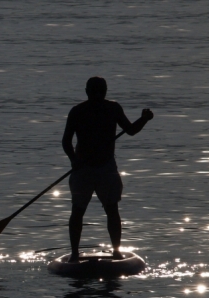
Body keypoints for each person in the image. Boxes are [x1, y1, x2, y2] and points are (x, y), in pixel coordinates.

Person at [62, 77, 153, 262]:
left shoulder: (113, 109)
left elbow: (131, 130)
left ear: (105, 91)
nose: (97, 95)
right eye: (94, 91)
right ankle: (74, 253)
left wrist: (143, 120)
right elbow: (66, 141)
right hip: (83, 170)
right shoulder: (77, 111)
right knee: (77, 211)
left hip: (106, 168)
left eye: (101, 91)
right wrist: (73, 160)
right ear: (86, 92)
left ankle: (116, 251)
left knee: (112, 210)